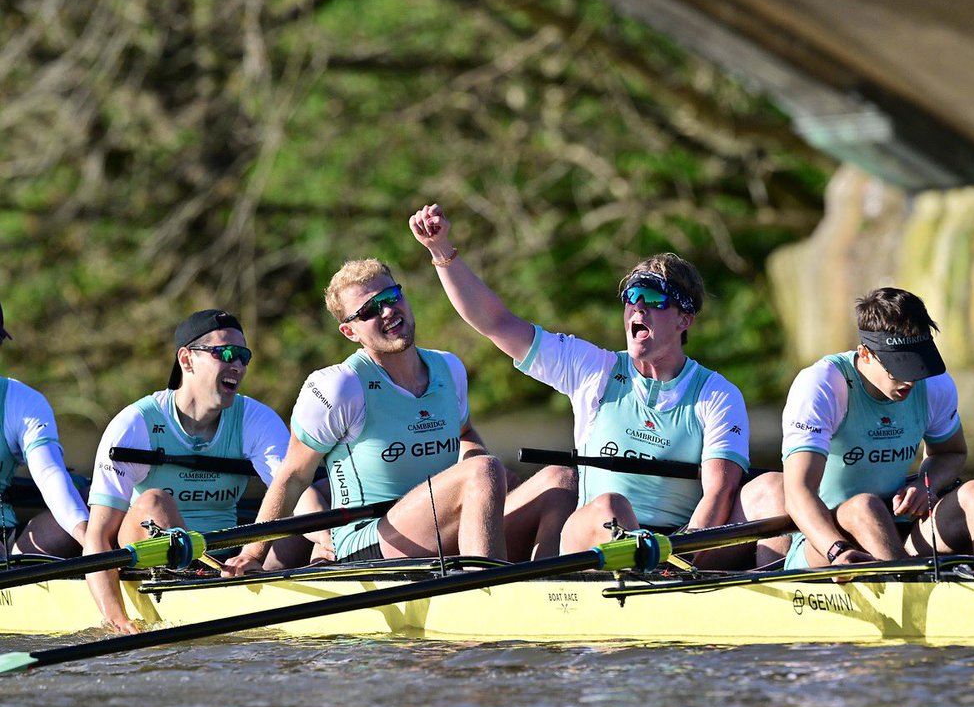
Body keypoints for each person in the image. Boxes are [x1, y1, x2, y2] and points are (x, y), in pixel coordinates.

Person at [408, 204, 751, 556]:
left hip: (679, 546)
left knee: (770, 489)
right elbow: (498, 323)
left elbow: (719, 493)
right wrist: (441, 251)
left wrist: (678, 559)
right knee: (611, 506)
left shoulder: (716, 394)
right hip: (595, 534)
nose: (637, 308)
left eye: (652, 298)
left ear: (684, 320)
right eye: (631, 297)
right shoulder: (594, 370)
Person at [222, 258, 575, 575]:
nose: (387, 311)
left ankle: (550, 589)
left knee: (560, 480)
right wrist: (252, 552)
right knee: (483, 471)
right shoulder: (340, 386)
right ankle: (484, 597)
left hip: (442, 527)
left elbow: (465, 433)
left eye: (391, 297)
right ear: (350, 332)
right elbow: (292, 476)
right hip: (367, 542)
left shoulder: (448, 368)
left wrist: (491, 485)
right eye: (369, 311)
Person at [740, 287, 974, 569]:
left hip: (902, 531)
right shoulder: (823, 385)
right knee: (865, 506)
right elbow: (798, 494)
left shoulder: (934, 384)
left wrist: (926, 485)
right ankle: (909, 590)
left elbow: (951, 453)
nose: (911, 380)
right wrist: (837, 550)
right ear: (865, 354)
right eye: (899, 367)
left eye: (918, 366)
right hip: (827, 541)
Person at [85, 309, 290, 632]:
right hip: (153, 554)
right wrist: (116, 617)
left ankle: (330, 564)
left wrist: (322, 543)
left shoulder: (256, 419)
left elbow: (293, 488)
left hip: (230, 559)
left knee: (303, 503)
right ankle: (199, 578)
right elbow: (98, 536)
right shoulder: (136, 424)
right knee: (155, 501)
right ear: (187, 360)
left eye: (243, 356)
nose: (237, 365)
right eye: (225, 353)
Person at [0, 299, 89, 559]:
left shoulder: (21, 401)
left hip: (8, 540)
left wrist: (90, 540)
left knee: (98, 502)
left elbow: (50, 475)